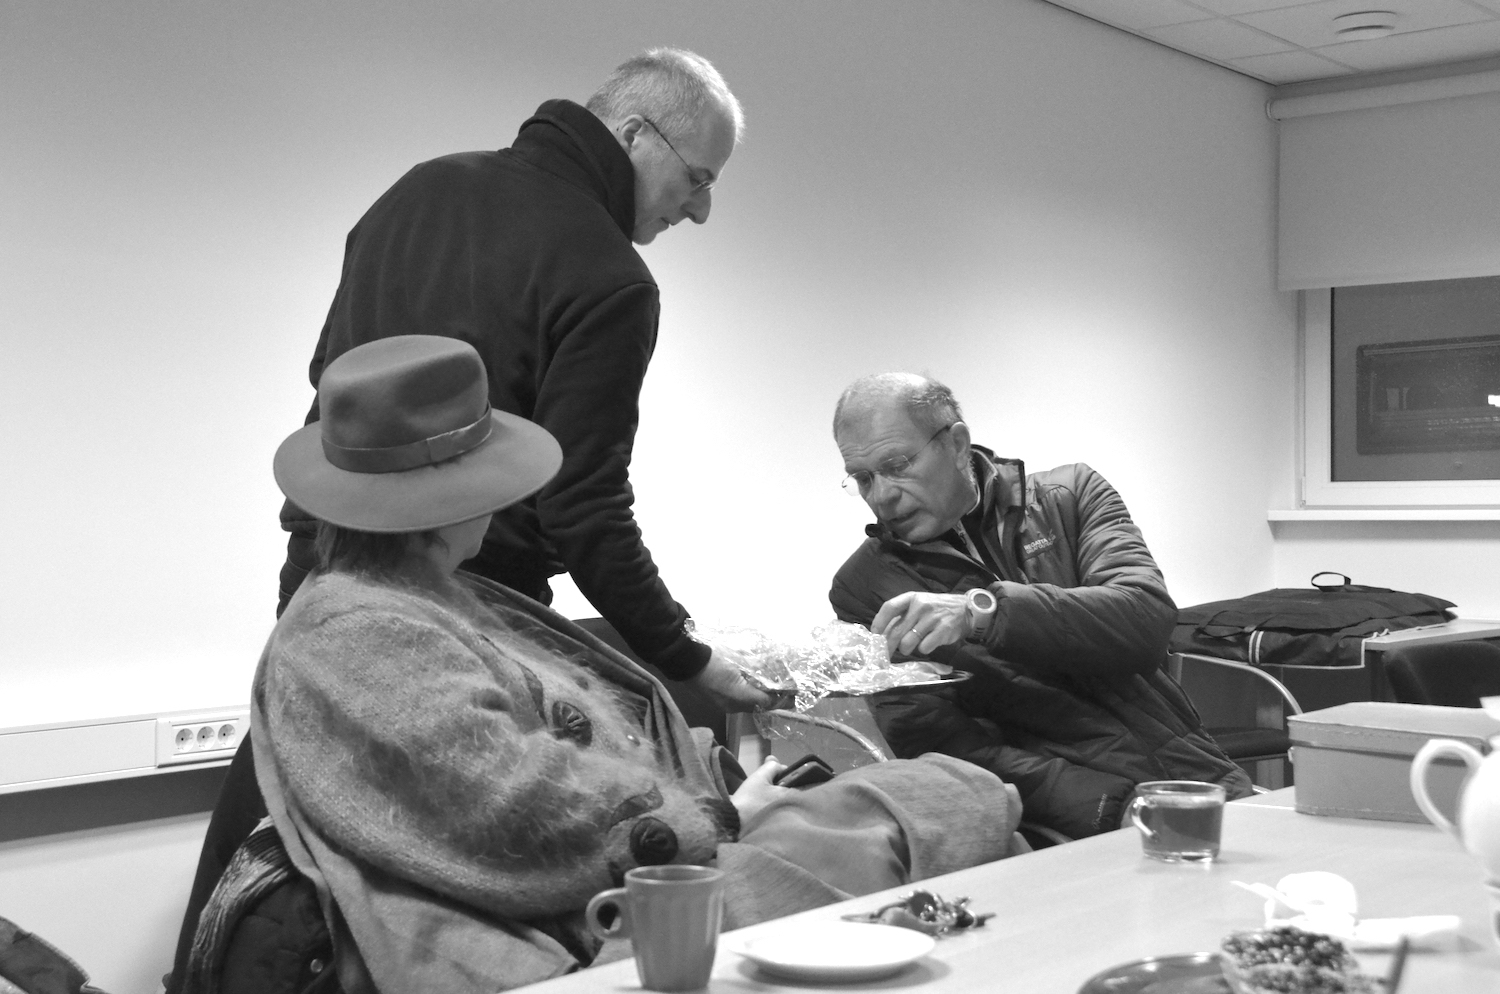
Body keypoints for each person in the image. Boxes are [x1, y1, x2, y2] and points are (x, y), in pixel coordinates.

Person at [177, 337, 1024, 993]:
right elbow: (516, 809)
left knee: (946, 794)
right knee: (945, 800)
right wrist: (719, 815)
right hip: (581, 920)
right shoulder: (353, 631)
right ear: (445, 502)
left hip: (617, 872)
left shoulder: (408, 597)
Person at [278, 47, 766, 711]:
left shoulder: (416, 189)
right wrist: (686, 654)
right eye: (697, 179)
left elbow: (328, 374)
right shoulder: (610, 278)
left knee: (301, 754)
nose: (700, 209)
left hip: (321, 568)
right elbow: (582, 504)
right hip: (469, 598)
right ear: (634, 135)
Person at [827, 373, 1252, 841]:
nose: (881, 495)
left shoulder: (1069, 497)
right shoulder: (865, 588)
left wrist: (982, 612)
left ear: (957, 444)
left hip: (1196, 785)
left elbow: (1144, 620)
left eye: (897, 465)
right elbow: (941, 746)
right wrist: (1113, 807)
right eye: (863, 478)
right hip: (1063, 832)